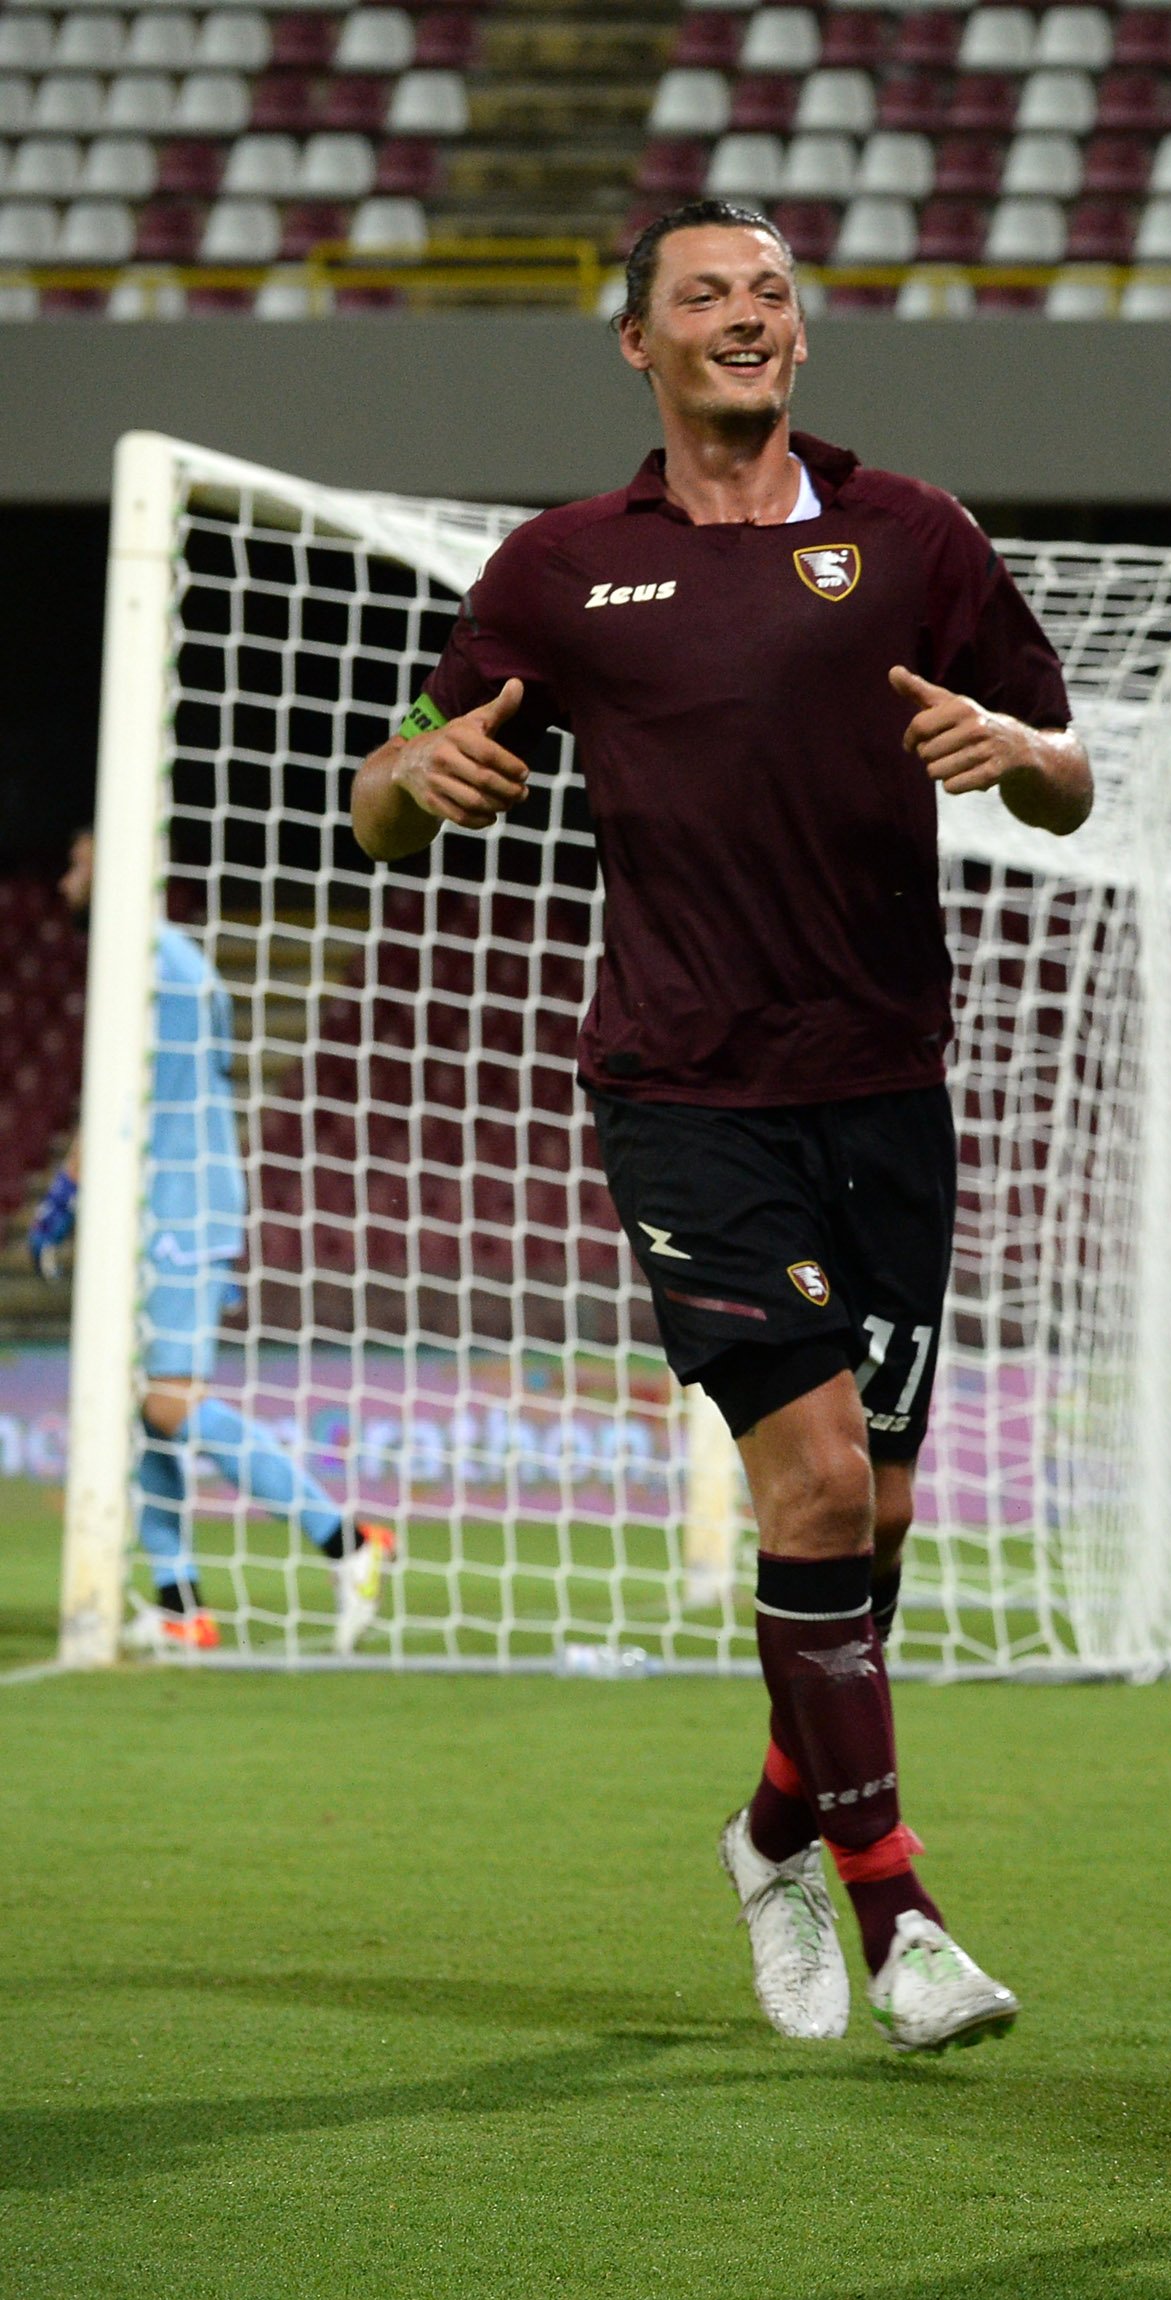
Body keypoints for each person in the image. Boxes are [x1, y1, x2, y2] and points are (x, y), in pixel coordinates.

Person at [348, 198, 1089, 2057]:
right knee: (818, 1484)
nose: (746, 315)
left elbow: (1069, 770)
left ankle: (769, 1834)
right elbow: (385, 794)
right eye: (706, 295)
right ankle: (898, 1915)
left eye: (770, 291)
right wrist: (418, 776)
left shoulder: (911, 534)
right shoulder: (561, 569)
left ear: (801, 333)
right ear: (638, 342)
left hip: (887, 1084)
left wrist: (1024, 758)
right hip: (684, 1091)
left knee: (878, 1514)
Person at [34, 828, 397, 1655]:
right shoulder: (159, 964)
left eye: (78, 862)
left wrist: (70, 1190)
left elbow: (131, 1102)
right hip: (169, 1202)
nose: (64, 881)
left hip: (181, 1203)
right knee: (143, 1403)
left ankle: (346, 1540)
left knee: (169, 1397)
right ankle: (179, 1603)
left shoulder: (162, 969)